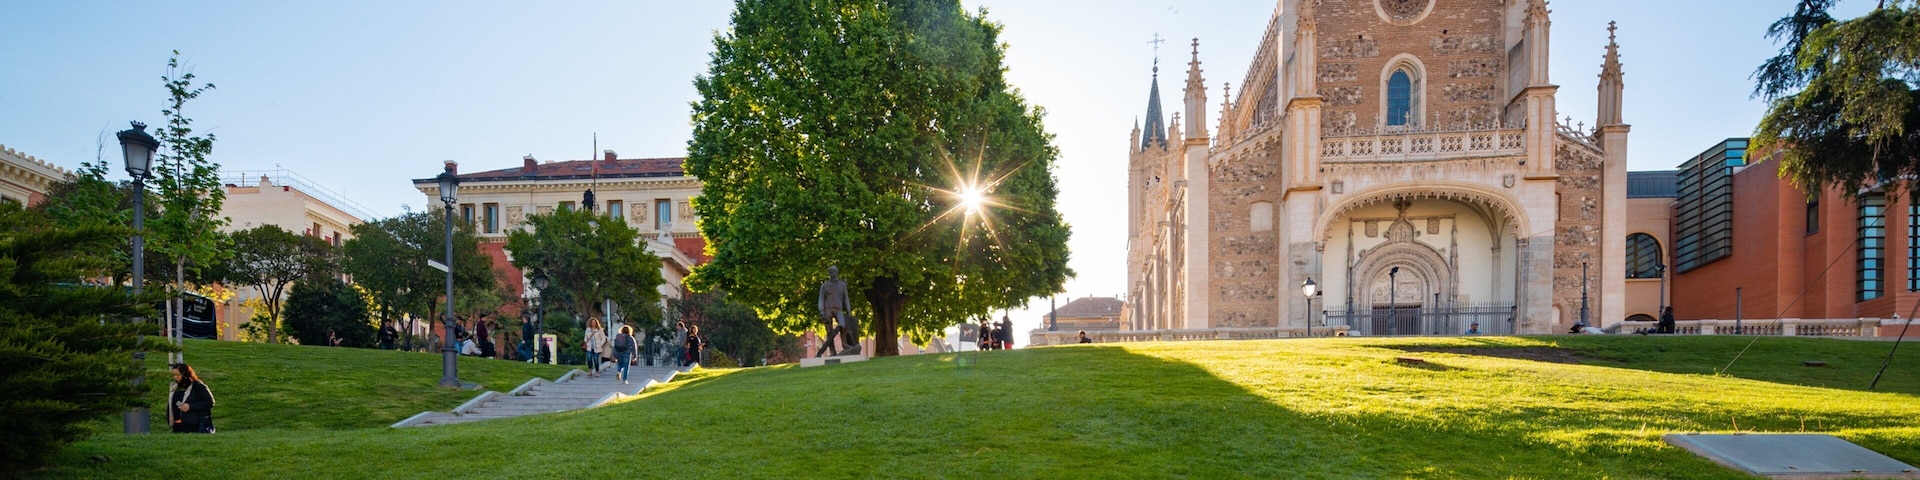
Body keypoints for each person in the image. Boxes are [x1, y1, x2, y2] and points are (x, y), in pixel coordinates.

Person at [169, 363, 216, 434]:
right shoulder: (176, 387)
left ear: (186, 375)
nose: (175, 377)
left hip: (196, 426)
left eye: (178, 375)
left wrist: (190, 406)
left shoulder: (199, 387)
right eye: (174, 375)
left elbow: (210, 402)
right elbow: (175, 403)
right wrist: (181, 405)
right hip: (178, 426)